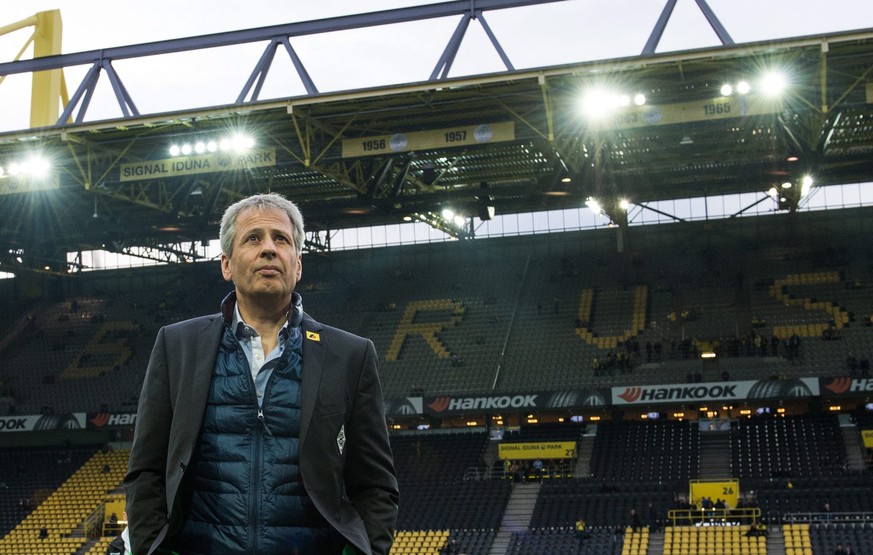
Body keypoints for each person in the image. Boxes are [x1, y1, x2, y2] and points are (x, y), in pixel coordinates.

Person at [124, 193, 399, 555]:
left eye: (281, 239)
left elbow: (376, 485)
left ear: (297, 265)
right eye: (253, 238)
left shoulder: (350, 355)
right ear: (227, 264)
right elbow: (146, 471)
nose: (269, 248)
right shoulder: (177, 346)